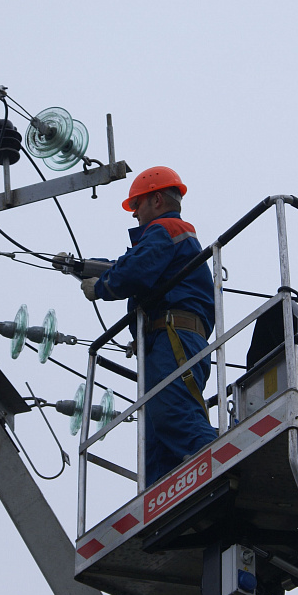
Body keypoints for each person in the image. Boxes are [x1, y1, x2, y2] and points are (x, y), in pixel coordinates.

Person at [80, 166, 217, 485]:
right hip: (167, 339)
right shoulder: (170, 237)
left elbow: (133, 273)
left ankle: (219, 458)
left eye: (137, 205)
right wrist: (79, 267)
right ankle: (164, 492)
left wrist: (101, 288)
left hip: (173, 336)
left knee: (172, 411)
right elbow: (129, 265)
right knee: (157, 428)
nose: (134, 215)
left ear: (156, 199)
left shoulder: (165, 229)